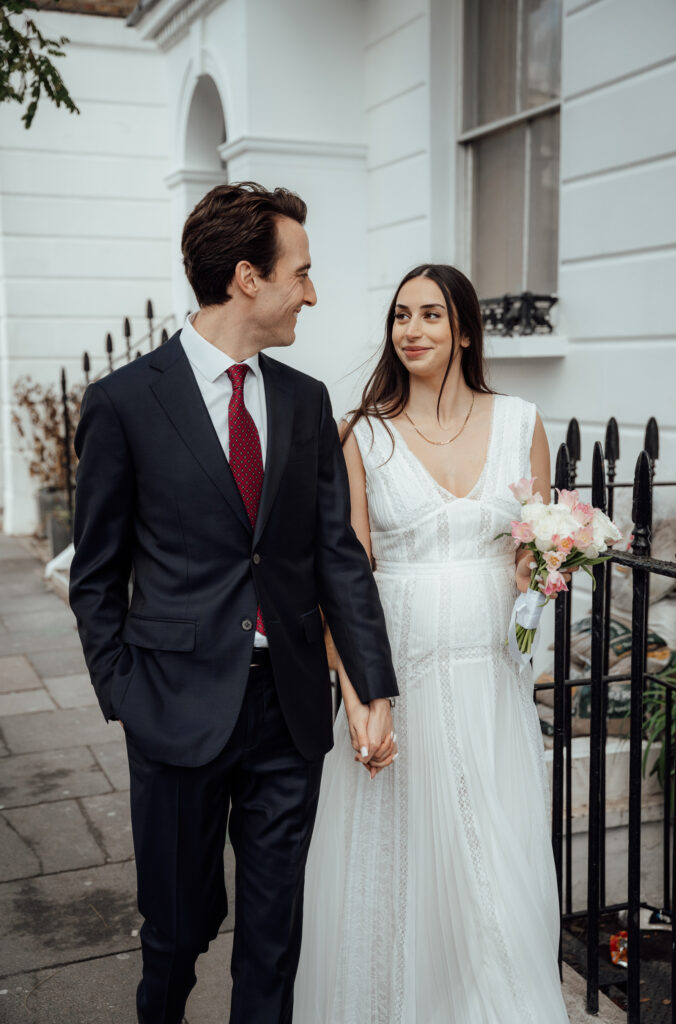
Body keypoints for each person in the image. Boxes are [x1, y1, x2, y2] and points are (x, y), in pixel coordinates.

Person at [68, 181, 399, 1024]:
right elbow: (96, 572)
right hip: (173, 707)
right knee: (174, 936)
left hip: (286, 709)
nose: (313, 293)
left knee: (273, 938)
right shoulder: (122, 403)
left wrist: (371, 687)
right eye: (302, 273)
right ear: (247, 277)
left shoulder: (303, 398)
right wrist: (124, 693)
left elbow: (336, 557)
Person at [294, 264, 571, 1023]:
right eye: (399, 316)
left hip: (490, 685)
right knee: (398, 874)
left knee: (494, 863)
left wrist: (544, 562)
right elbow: (342, 581)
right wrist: (358, 700)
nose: (410, 330)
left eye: (430, 316)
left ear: (465, 331)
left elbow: (533, 551)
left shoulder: (520, 421)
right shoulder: (362, 434)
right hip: (398, 683)